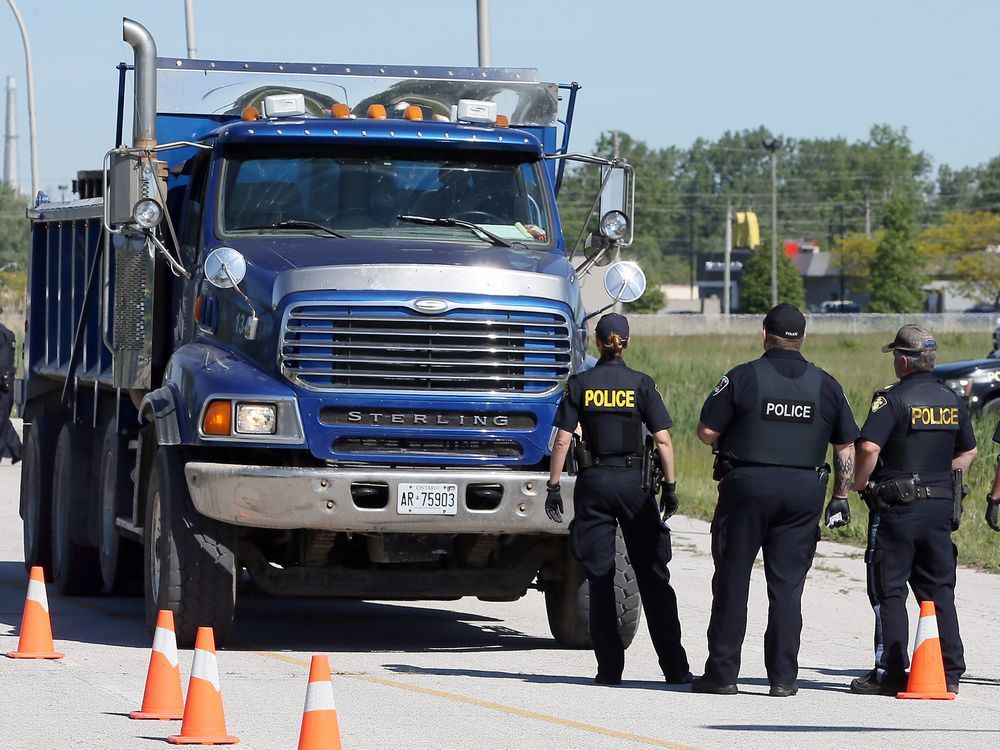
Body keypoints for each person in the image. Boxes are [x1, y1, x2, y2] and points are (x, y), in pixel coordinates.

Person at [694, 303, 859, 697]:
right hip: (803, 492)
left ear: (764, 333)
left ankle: (722, 675)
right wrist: (840, 496)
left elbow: (705, 433)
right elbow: (846, 446)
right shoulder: (827, 384)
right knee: (787, 588)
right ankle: (783, 678)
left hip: (747, 487)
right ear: (802, 338)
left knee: (733, 580)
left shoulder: (742, 377)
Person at [545, 312, 690, 686]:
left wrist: (553, 485)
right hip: (634, 485)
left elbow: (562, 440)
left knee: (600, 576)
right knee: (653, 576)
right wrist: (670, 488)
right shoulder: (642, 385)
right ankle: (675, 668)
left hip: (595, 483)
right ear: (626, 342)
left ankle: (609, 669)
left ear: (597, 342)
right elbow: (662, 440)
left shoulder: (580, 384)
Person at [851, 324, 977, 695]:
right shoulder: (951, 399)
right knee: (938, 588)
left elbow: (869, 448)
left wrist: (859, 484)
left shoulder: (890, 400)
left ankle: (889, 669)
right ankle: (949, 668)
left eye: (895, 356)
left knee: (888, 589)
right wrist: (943, 479)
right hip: (940, 507)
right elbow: (968, 451)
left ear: (903, 361)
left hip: (897, 508)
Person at [0, 311, 22, 464]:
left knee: (1, 421)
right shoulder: (8, 334)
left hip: (2, 385)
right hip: (7, 385)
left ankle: (18, 450)